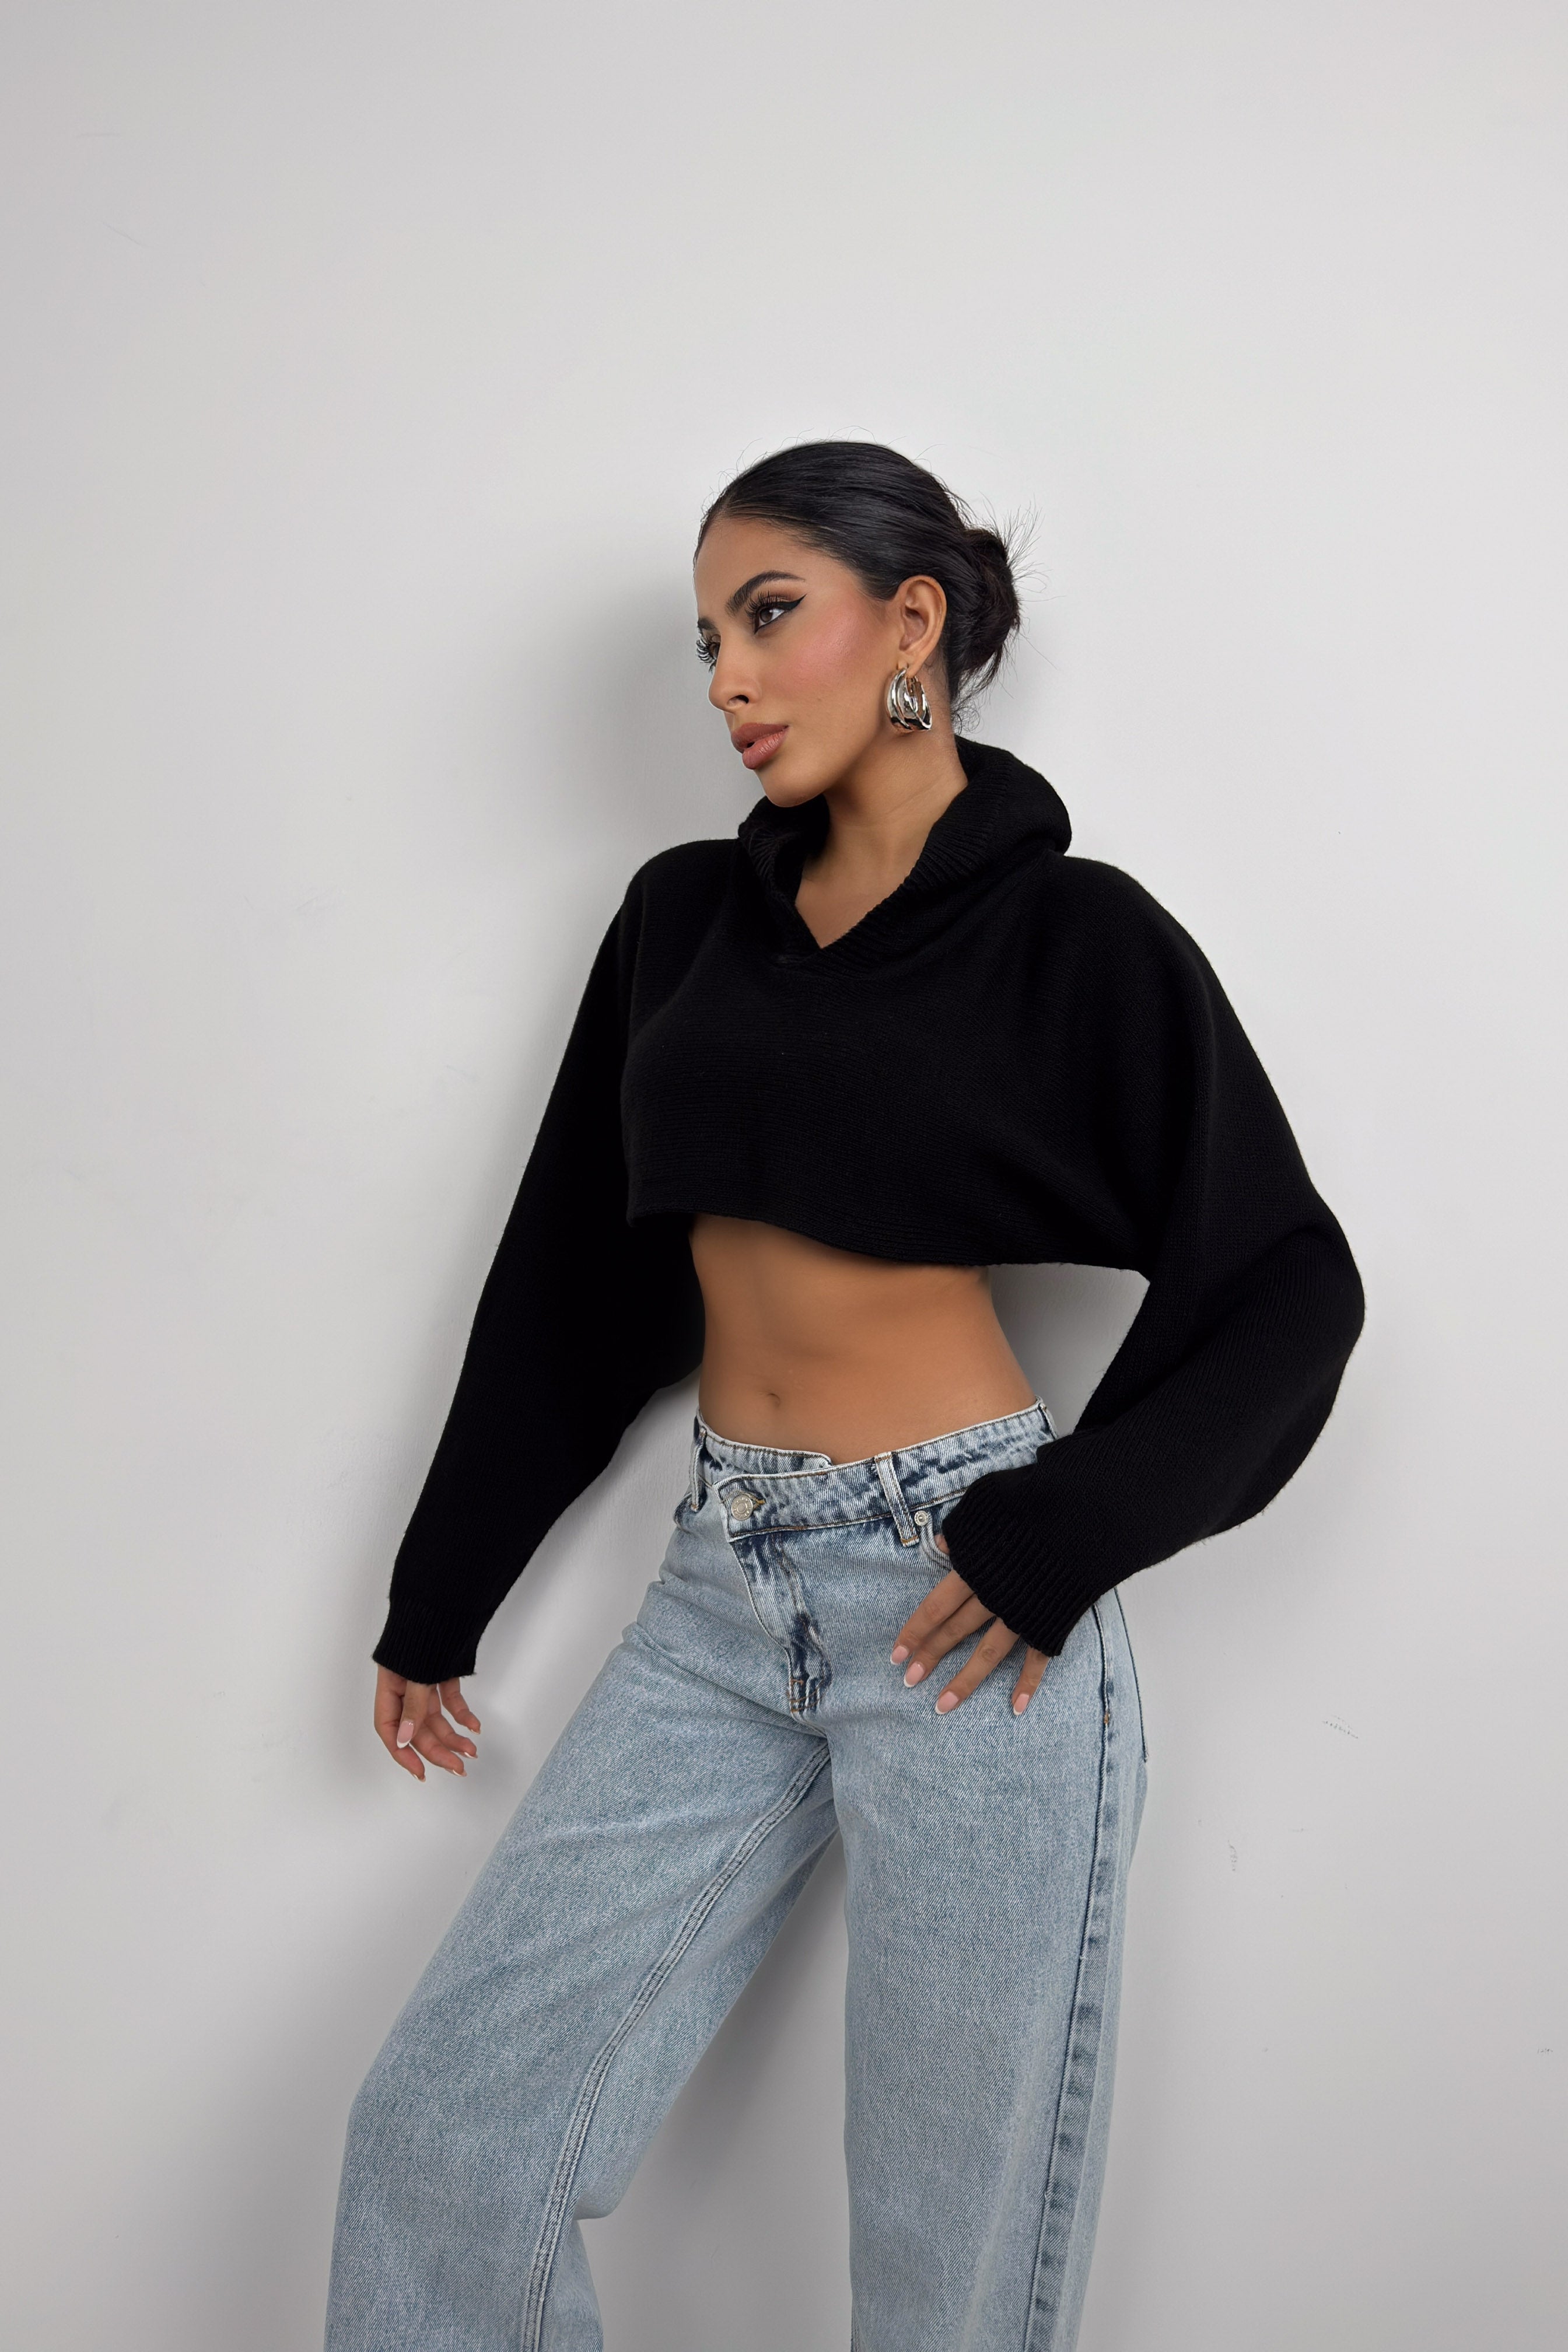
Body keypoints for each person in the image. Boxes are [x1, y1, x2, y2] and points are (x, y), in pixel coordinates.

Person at [324, 440, 1364, 2352]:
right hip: (719, 1595)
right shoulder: (682, 920)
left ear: (913, 625)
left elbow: (1288, 1281)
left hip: (972, 1607)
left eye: (769, 615)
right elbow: (572, 1280)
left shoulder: (1078, 938)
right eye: (705, 638)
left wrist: (1058, 1535)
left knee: (940, 2254)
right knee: (446, 2140)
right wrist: (440, 1586)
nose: (725, 676)